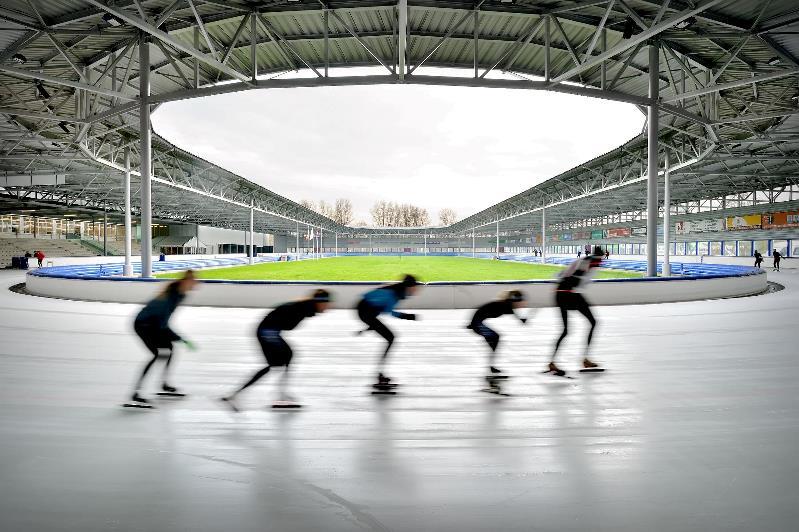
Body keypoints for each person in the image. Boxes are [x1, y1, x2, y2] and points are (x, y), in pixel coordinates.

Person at [221, 289, 331, 411]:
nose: (328, 307)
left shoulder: (305, 306)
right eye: (327, 304)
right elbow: (289, 326)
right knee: (285, 356)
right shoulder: (304, 308)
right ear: (320, 302)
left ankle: (236, 395)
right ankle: (281, 396)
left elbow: (283, 319)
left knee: (276, 363)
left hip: (267, 330)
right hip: (267, 332)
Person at [127, 270, 198, 407]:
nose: (195, 285)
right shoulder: (170, 297)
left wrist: (178, 338)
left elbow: (163, 324)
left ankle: (164, 384)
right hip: (143, 324)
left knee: (169, 348)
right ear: (185, 282)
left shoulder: (179, 295)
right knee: (156, 354)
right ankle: (136, 393)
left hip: (152, 324)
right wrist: (181, 338)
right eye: (193, 282)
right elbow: (162, 324)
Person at [547, 246, 604, 377]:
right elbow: (579, 277)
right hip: (570, 294)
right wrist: (576, 283)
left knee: (566, 330)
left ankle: (551, 362)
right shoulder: (593, 261)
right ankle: (585, 359)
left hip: (559, 293)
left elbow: (559, 275)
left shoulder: (581, 259)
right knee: (593, 322)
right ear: (600, 256)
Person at [356, 274, 420, 388]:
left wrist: (369, 327)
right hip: (365, 311)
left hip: (367, 310)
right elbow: (390, 312)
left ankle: (380, 373)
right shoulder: (395, 293)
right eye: (415, 287)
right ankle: (379, 374)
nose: (417, 290)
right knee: (391, 338)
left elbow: (379, 306)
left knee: (390, 338)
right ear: (409, 286)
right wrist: (409, 317)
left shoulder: (398, 291)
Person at [467, 290, 527, 393]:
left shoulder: (506, 304)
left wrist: (521, 319)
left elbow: (516, 316)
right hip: (477, 324)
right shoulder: (506, 305)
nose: (520, 304)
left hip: (477, 322)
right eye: (519, 301)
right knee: (495, 338)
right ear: (515, 300)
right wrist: (522, 320)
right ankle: (490, 372)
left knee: (495, 341)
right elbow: (517, 317)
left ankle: (491, 368)